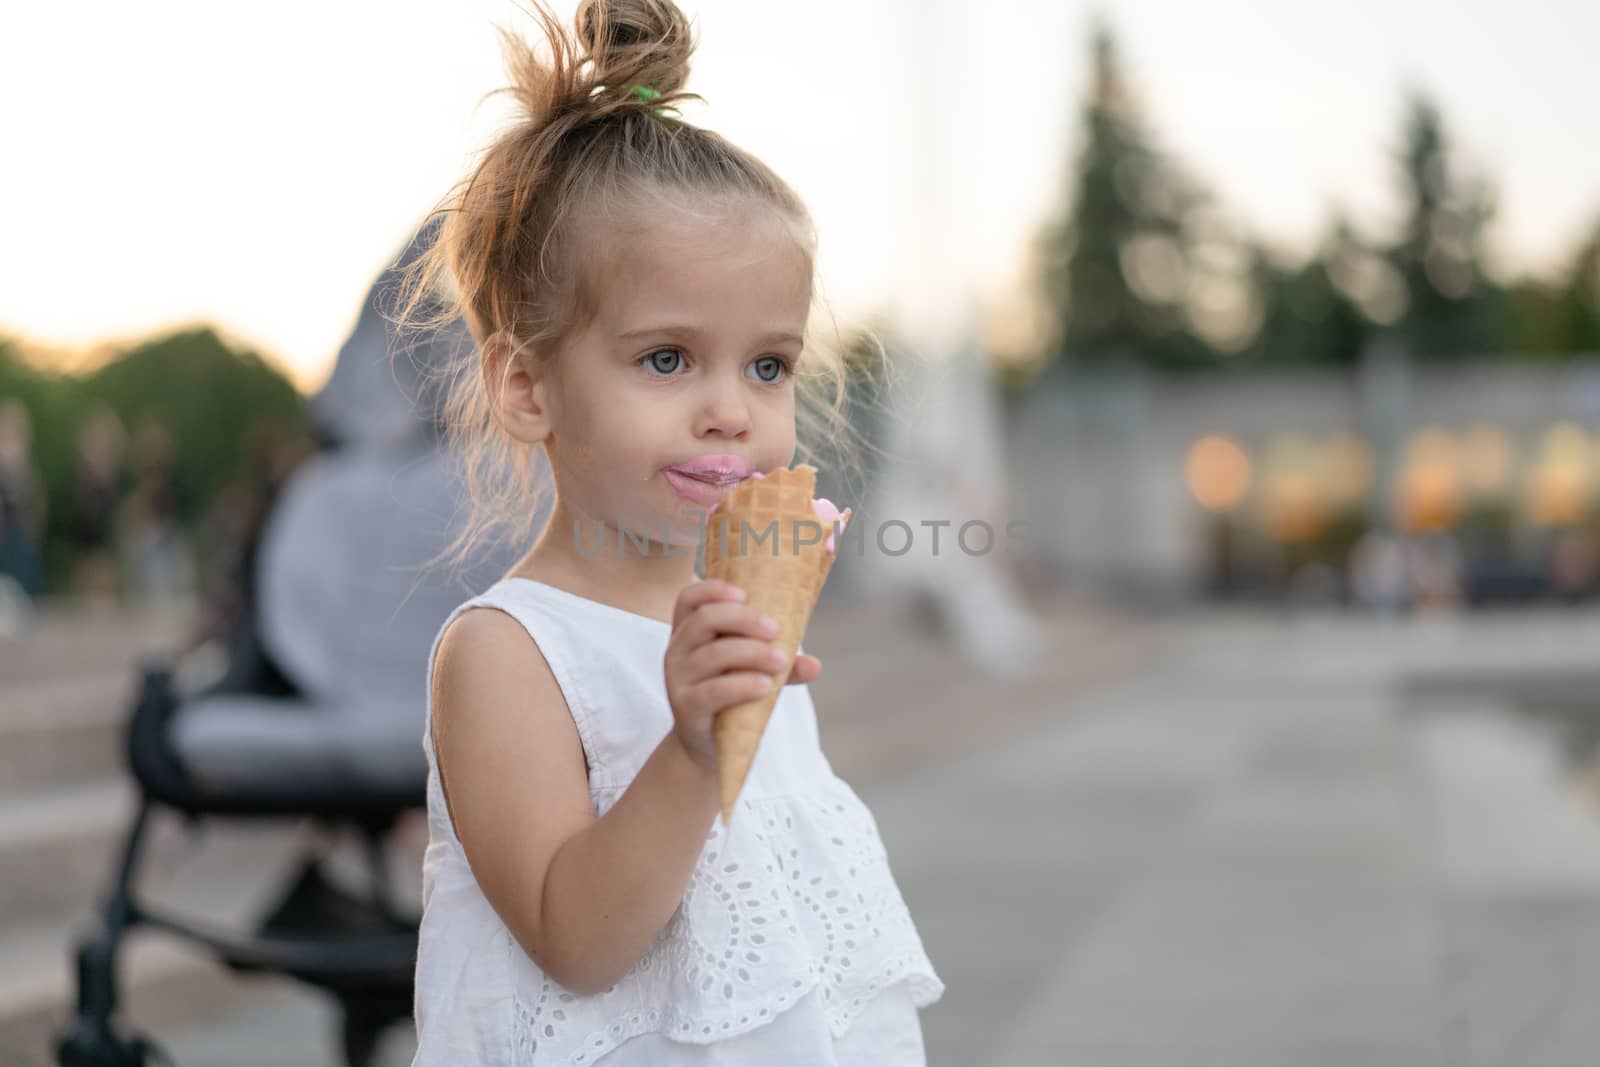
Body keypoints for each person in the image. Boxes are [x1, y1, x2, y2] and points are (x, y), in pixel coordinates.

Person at [398, 2, 945, 1063]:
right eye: (665, 359)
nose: (732, 411)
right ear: (525, 384)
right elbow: (579, 940)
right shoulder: (507, 651)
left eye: (768, 364)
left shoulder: (736, 617)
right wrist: (693, 750)